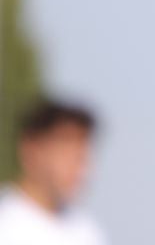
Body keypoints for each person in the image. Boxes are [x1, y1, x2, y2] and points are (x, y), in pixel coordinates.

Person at [0, 99, 106, 245]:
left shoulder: (86, 231)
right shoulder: (6, 225)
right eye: (67, 152)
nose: (78, 167)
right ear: (31, 149)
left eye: (81, 156)